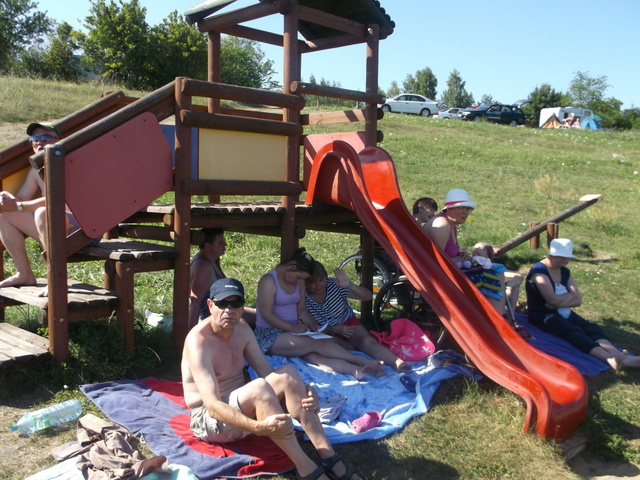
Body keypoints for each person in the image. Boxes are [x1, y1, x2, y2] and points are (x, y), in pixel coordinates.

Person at [182, 278, 362, 480]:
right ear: (210, 305)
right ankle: (306, 469)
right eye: (222, 304)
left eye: (236, 303)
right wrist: (257, 428)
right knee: (259, 388)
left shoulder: (242, 328)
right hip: (209, 420)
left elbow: (268, 373)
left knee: (288, 374)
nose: (229, 310)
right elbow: (212, 406)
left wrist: (307, 390)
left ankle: (329, 457)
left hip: (241, 406)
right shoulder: (199, 342)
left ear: (242, 306)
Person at [254, 248, 385, 380]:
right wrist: (292, 328)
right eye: (298, 277)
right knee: (315, 343)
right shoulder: (268, 281)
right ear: (292, 267)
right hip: (270, 334)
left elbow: (301, 309)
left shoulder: (299, 281)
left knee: (316, 354)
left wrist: (313, 326)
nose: (299, 281)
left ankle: (355, 370)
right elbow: (266, 314)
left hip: (293, 331)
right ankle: (362, 361)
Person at [525, 238, 640, 370]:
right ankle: (609, 359)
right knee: (573, 331)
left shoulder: (565, 271)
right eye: (561, 257)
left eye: (567, 258)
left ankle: (617, 355)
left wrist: (559, 301)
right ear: (550, 255)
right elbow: (554, 300)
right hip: (543, 316)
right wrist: (568, 296)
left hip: (564, 311)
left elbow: (577, 300)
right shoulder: (539, 273)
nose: (565, 261)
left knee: (591, 328)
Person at [305, 261, 411, 373]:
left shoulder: (334, 285)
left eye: (321, 280)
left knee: (367, 341)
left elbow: (367, 296)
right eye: (312, 282)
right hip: (327, 331)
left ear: (326, 277)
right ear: (305, 282)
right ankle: (357, 358)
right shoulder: (304, 297)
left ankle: (397, 362)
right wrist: (334, 329)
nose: (318, 285)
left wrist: (350, 285)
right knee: (326, 348)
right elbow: (314, 327)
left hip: (348, 322)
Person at [0, 122, 71, 288]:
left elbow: (57, 201)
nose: (39, 142)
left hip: (80, 228)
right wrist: (8, 198)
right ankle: (24, 273)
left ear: (59, 141)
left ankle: (57, 278)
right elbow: (21, 198)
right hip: (51, 226)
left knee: (43, 213)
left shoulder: (69, 164)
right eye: (35, 139)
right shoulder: (35, 171)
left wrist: (19, 206)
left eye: (46, 137)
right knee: (4, 214)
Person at [424, 188, 506, 313]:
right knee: (491, 273)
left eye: (468, 209)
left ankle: (497, 316)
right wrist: (458, 259)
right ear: (449, 209)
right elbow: (436, 261)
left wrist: (460, 254)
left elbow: (447, 253)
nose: (466, 213)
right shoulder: (442, 225)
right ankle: (495, 318)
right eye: (462, 208)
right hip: (439, 277)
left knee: (497, 270)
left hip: (451, 271)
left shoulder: (451, 224)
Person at [189, 228, 256, 330]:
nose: (225, 245)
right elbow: (195, 302)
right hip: (212, 317)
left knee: (262, 314)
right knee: (263, 320)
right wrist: (191, 333)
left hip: (225, 307)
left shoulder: (213, 260)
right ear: (208, 246)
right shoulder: (203, 266)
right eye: (220, 242)